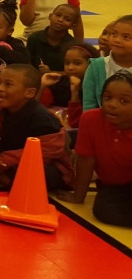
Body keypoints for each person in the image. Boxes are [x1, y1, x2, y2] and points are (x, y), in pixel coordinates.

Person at [0, 65, 73, 190]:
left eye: (8, 84)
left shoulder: (42, 117)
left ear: (29, 93)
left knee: (30, 174)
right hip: (8, 153)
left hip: (42, 162)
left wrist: (2, 161)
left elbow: (47, 153)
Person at [55, 70, 132, 227]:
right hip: (112, 187)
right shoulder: (91, 119)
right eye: (107, 98)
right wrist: (78, 196)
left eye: (124, 101)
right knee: (104, 211)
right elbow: (86, 160)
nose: (112, 104)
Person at [40, 43, 99, 130]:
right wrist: (42, 86)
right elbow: (35, 110)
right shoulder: (57, 82)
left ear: (90, 64)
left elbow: (76, 124)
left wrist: (74, 93)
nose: (70, 67)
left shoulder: (96, 88)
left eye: (77, 63)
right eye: (67, 63)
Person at [83, 15, 132, 111]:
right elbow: (89, 105)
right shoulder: (96, 66)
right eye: (114, 34)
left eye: (126, 37)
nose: (117, 40)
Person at [27, 4, 79, 72]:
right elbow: (27, 64)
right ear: (50, 16)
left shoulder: (73, 45)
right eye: (58, 15)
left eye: (67, 19)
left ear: (73, 26)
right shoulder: (34, 38)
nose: (60, 20)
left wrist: (53, 73)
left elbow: (74, 72)